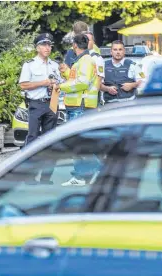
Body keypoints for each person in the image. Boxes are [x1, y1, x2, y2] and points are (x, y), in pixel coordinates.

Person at [58, 34, 101, 186]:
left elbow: (82, 82)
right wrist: (65, 72)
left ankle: (99, 169)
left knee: (76, 143)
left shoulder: (85, 60)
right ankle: (81, 176)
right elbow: (77, 78)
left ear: (74, 45)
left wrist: (60, 86)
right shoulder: (83, 60)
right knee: (80, 143)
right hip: (80, 104)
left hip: (80, 104)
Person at [19, 33, 62, 146]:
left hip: (52, 102)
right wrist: (43, 83)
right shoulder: (29, 65)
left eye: (49, 45)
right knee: (33, 136)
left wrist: (55, 85)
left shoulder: (54, 65)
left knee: (50, 137)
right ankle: (29, 162)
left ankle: (48, 163)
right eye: (44, 45)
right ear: (37, 48)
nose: (47, 48)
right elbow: (23, 85)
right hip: (36, 104)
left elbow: (60, 83)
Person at [83, 31, 105, 104]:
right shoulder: (78, 57)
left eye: (88, 40)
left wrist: (91, 100)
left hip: (91, 99)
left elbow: (99, 80)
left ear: (93, 42)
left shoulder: (97, 58)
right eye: (84, 40)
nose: (86, 42)